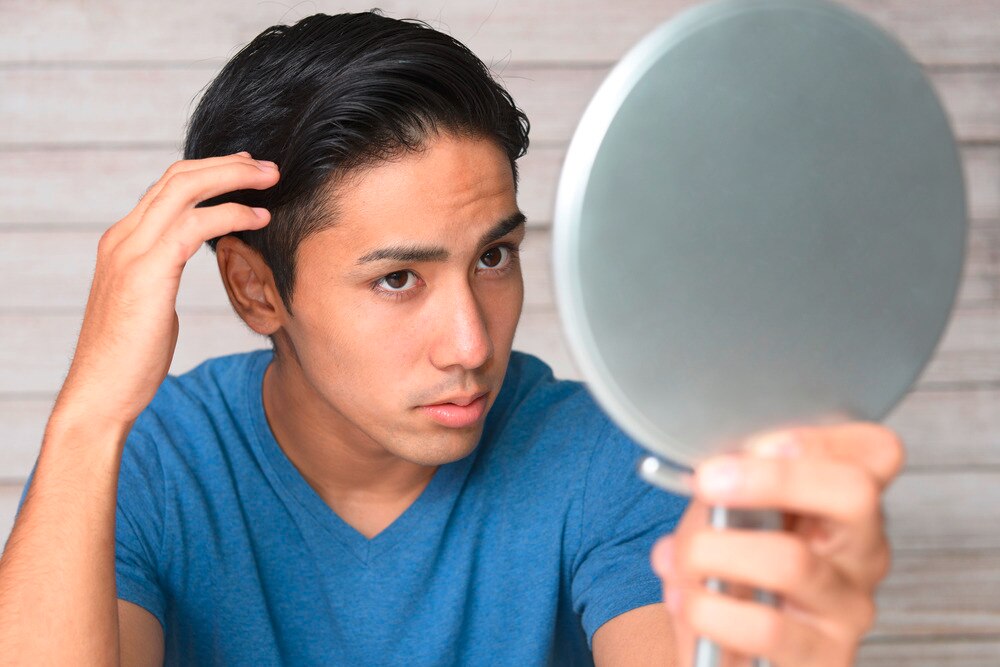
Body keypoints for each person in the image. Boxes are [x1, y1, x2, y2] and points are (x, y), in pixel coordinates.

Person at [0, 11, 902, 666]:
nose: (470, 341)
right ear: (254, 287)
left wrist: (779, 654)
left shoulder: (602, 457)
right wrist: (88, 412)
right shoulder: (142, 461)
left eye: (494, 256)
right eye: (398, 279)